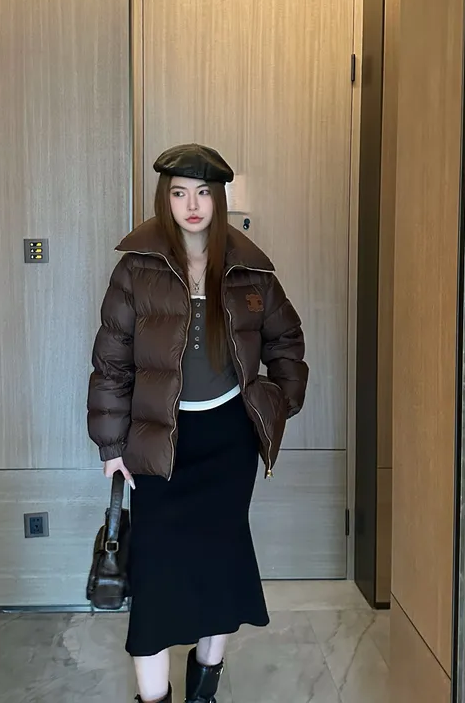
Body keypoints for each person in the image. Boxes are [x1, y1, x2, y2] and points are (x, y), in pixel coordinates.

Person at [87, 143, 308, 703]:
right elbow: (111, 362)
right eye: (180, 193)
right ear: (165, 198)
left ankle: (202, 694)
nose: (192, 205)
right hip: (159, 443)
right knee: (156, 578)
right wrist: (111, 447)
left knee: (219, 566)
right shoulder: (135, 269)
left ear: (218, 199)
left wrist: (275, 404)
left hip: (228, 444)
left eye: (203, 193)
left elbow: (287, 343)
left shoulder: (250, 270)